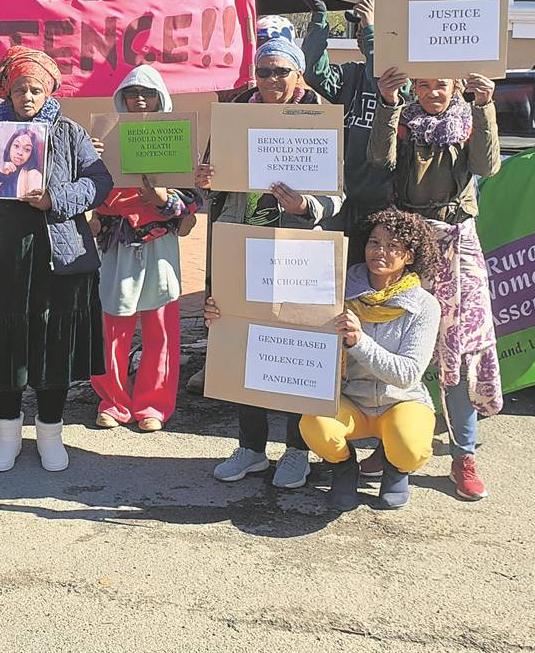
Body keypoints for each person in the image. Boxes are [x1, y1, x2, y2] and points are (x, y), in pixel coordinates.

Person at [0, 46, 112, 472]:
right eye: (20, 88)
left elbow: (100, 181)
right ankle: (7, 431)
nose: (27, 96)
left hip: (55, 260)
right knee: (6, 347)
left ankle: (50, 432)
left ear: (49, 91)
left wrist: (56, 198)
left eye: (36, 89)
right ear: (7, 89)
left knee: (51, 348)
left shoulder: (68, 132)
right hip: (1, 258)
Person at [198, 35, 342, 489]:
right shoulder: (233, 116)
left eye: (282, 71)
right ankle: (251, 448)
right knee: (241, 339)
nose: (273, 79)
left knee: (299, 344)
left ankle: (297, 449)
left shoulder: (322, 116)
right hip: (241, 246)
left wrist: (307, 206)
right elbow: (210, 185)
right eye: (265, 71)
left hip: (300, 250)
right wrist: (205, 179)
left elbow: (340, 194)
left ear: (299, 73)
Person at [369, 68, 502, 501]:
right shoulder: (404, 118)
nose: (431, 94)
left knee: (458, 350)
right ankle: (392, 444)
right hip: (408, 241)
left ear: (454, 86)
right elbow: (380, 161)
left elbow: (487, 166)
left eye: (439, 85)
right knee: (395, 342)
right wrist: (388, 105)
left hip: (456, 242)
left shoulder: (468, 119)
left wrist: (485, 108)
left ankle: (463, 455)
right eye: (422, 85)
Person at [299, 209, 442, 511]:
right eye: (374, 242)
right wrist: (229, 313)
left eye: (393, 246)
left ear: (410, 256)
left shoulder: (425, 306)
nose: (380, 251)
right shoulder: (337, 290)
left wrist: (359, 342)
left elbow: (408, 374)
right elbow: (289, 318)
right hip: (351, 399)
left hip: (401, 401)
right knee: (315, 426)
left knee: (411, 445)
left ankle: (395, 469)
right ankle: (344, 468)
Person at [88, 66, 201, 433]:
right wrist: (88, 160)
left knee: (161, 329)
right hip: (117, 243)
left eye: (147, 93)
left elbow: (193, 201)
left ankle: (153, 405)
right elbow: (88, 191)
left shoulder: (178, 138)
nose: (140, 99)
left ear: (159, 98)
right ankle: (113, 401)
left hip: (160, 243)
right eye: (133, 92)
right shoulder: (101, 137)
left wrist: (167, 199)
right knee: (113, 327)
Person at [301, 0, 390, 265]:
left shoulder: (402, 80)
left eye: (367, 27)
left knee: (374, 273)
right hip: (344, 195)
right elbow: (313, 71)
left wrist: (372, 27)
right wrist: (319, 17)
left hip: (382, 200)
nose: (361, 33)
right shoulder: (351, 73)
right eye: (360, 28)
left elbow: (381, 83)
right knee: (338, 269)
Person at [0, 126, 45, 198]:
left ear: (32, 153)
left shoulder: (33, 175)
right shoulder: (2, 170)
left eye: (27, 149)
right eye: (16, 146)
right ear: (9, 146)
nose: (20, 152)